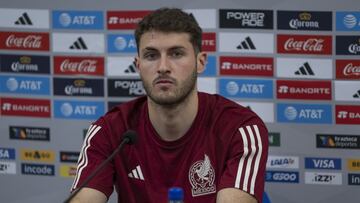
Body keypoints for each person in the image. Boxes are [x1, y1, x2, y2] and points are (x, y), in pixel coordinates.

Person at [70, 7, 268, 203]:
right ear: (138, 65)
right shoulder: (109, 130)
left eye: (176, 54)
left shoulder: (240, 128)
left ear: (200, 62)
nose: (163, 67)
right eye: (151, 55)